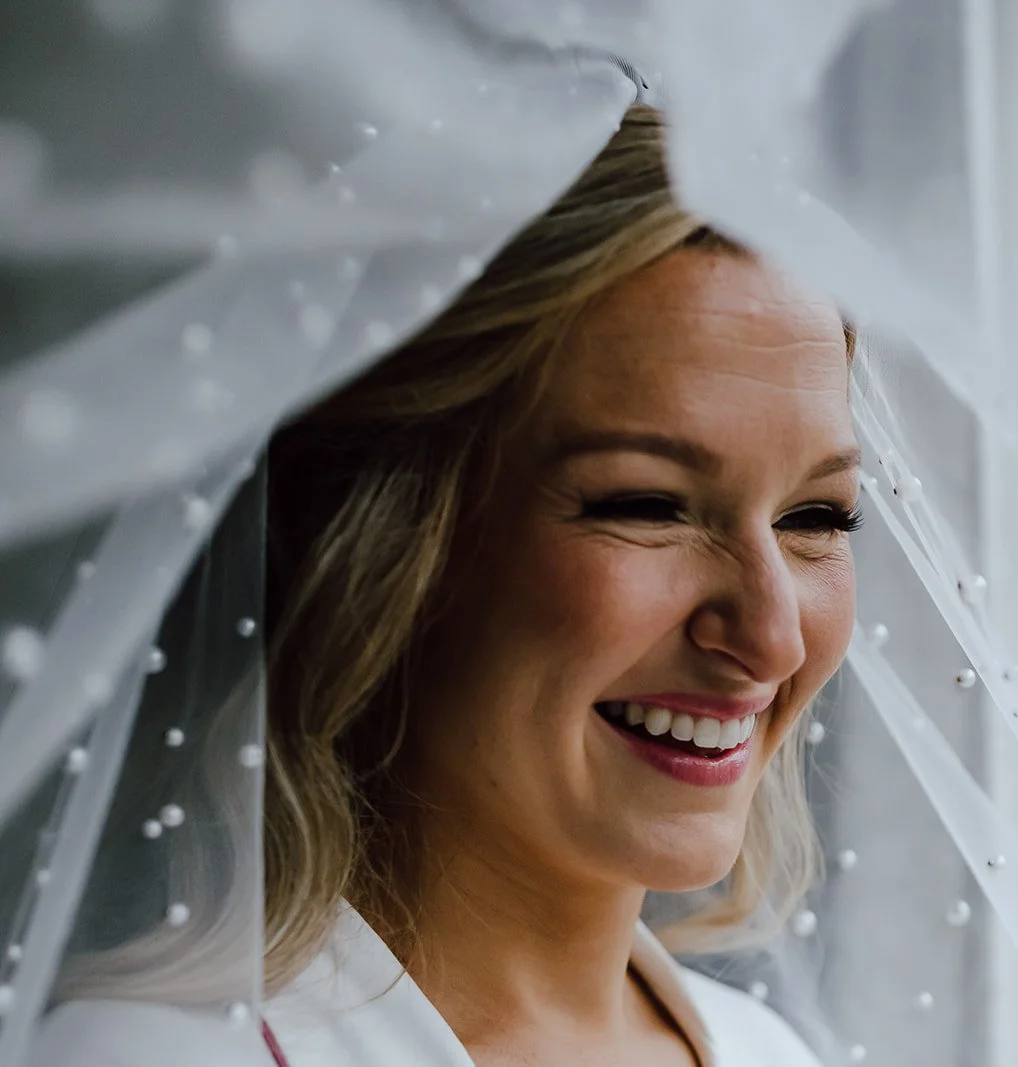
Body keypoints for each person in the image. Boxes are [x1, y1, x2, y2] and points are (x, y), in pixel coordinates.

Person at [32, 102, 857, 1067]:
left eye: (817, 519)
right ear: (388, 541)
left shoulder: (774, 1053)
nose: (771, 637)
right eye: (648, 504)